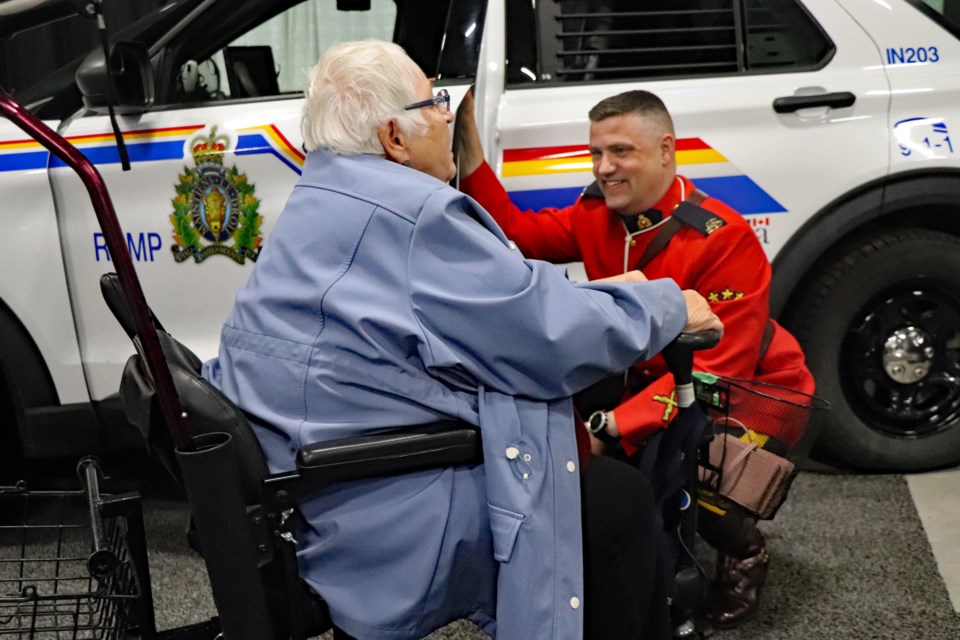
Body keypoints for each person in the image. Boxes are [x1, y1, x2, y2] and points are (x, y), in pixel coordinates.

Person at [202, 41, 722, 640]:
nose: (448, 115)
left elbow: (499, 305)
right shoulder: (414, 211)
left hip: (314, 485)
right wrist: (664, 303)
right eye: (436, 101)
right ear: (395, 137)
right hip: (379, 511)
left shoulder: (325, 192)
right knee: (616, 502)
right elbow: (546, 337)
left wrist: (604, 297)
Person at [455, 88, 816, 632]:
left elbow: (717, 370)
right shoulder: (597, 217)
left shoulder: (724, 239)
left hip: (757, 391)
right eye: (596, 153)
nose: (604, 168)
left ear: (667, 150)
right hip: (657, 379)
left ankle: (743, 551)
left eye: (621, 151)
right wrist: (470, 149)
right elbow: (511, 231)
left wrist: (613, 426)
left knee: (694, 462)